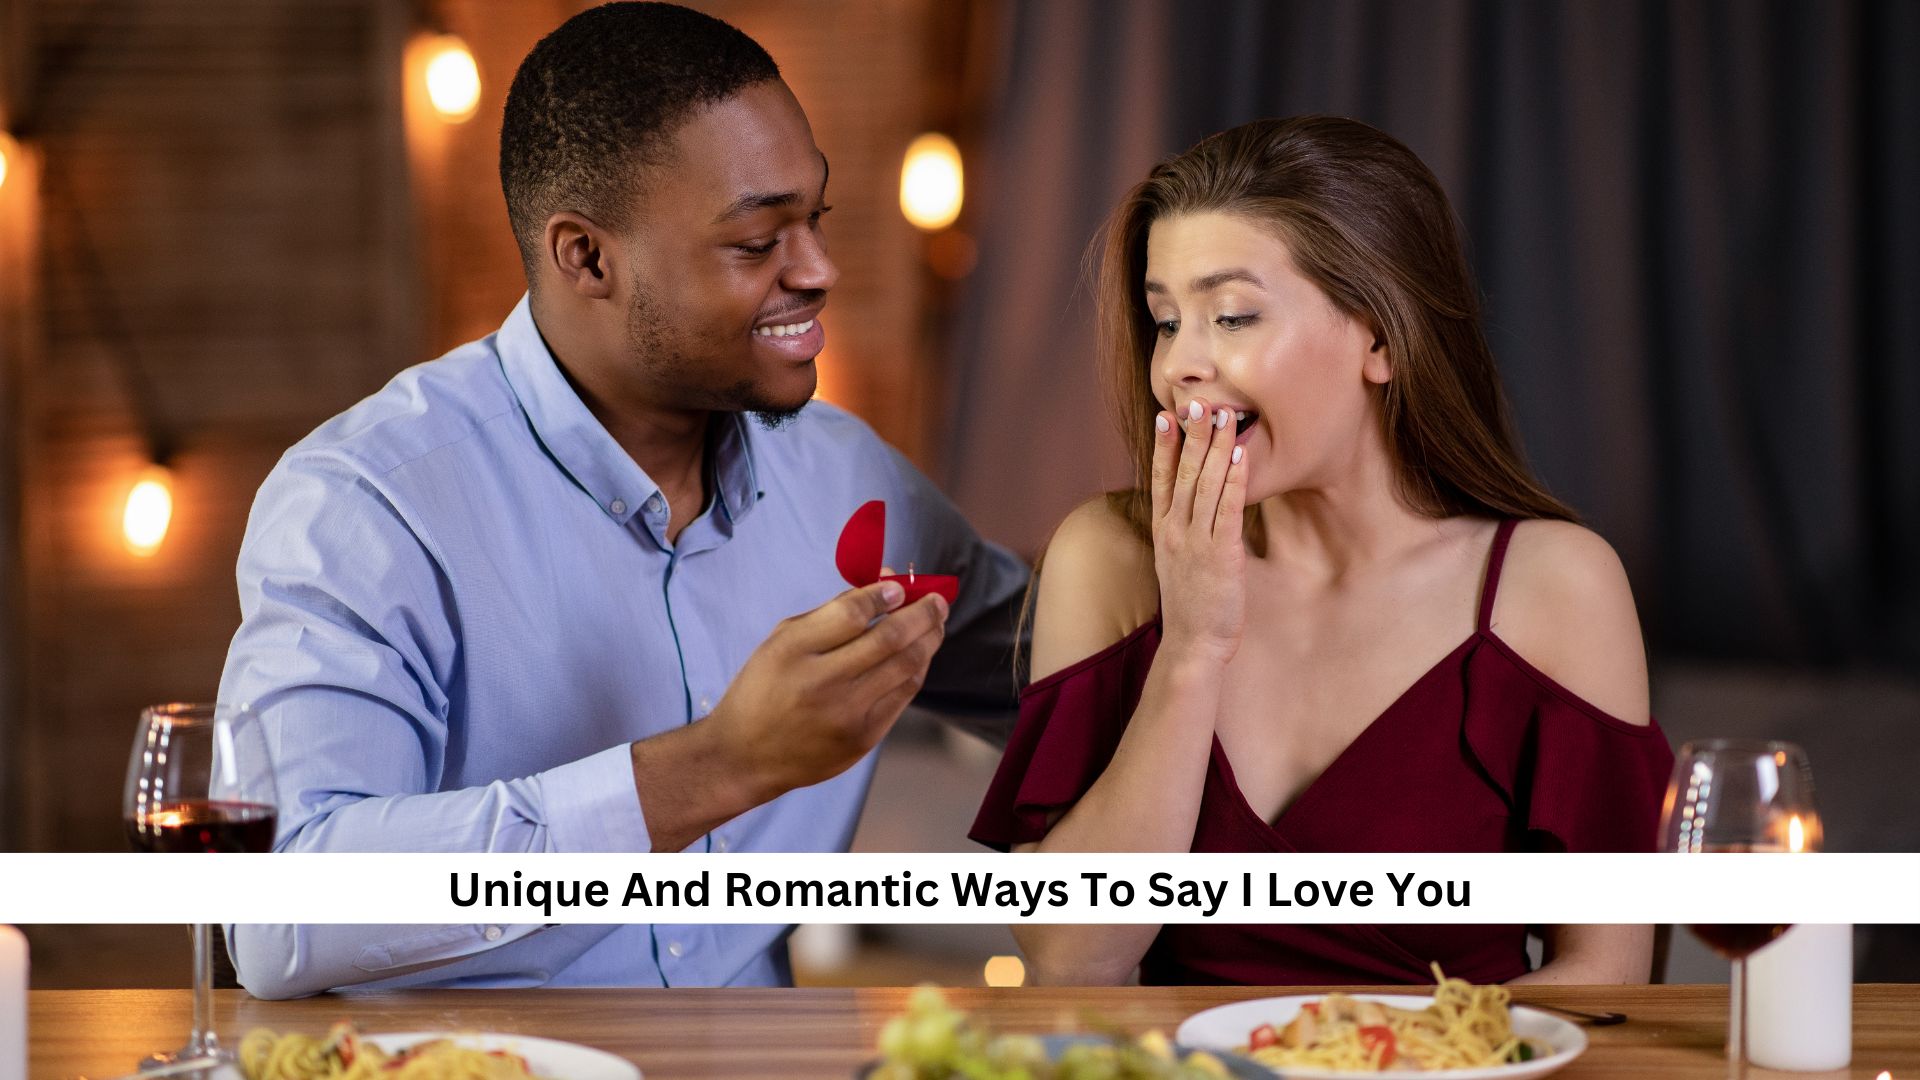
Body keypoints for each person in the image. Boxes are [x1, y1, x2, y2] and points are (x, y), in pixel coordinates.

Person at [220, 2, 1026, 997]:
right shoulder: (369, 503)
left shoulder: (850, 479)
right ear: (586, 257)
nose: (819, 272)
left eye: (814, 220)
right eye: (755, 241)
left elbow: (1071, 685)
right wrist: (715, 768)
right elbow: (280, 913)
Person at [971, 116, 1674, 986]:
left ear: (1379, 336)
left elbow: (1608, 979)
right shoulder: (1108, 557)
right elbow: (1071, 960)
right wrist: (1192, 648)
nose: (1181, 364)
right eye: (1164, 321)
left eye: (1231, 315)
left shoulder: (1556, 585)